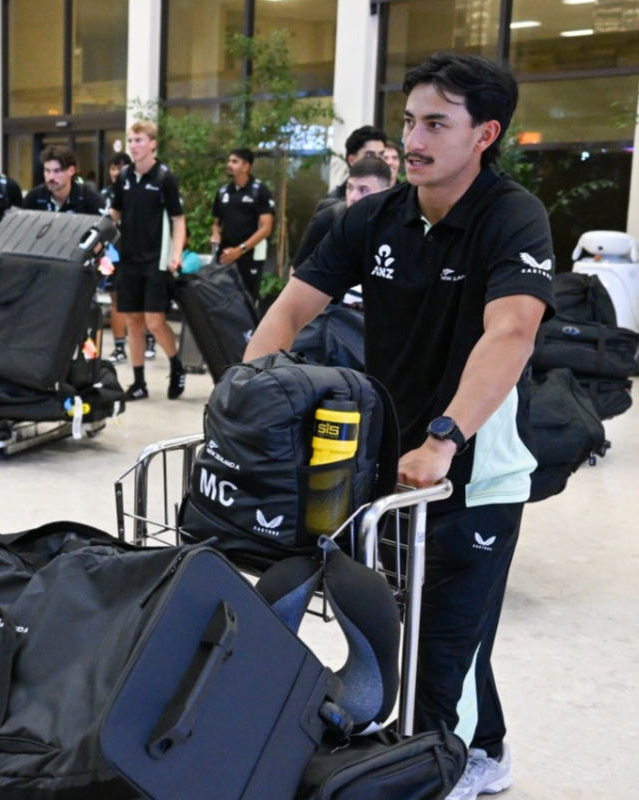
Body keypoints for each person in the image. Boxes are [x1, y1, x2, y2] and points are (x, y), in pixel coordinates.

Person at [243, 53, 554, 800]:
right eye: (410, 120)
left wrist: (446, 437)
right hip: (390, 462)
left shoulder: (512, 217)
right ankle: (484, 746)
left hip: (474, 469)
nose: (411, 139)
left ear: (485, 134)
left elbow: (511, 333)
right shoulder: (373, 218)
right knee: (425, 629)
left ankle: (454, 764)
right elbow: (291, 309)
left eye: (435, 124)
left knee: (442, 652)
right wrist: (242, 399)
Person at [109, 120, 187, 400]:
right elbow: (115, 213)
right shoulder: (125, 176)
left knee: (155, 321)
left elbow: (178, 220)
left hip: (155, 261)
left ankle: (176, 364)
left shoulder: (165, 177)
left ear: (152, 144)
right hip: (128, 260)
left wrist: (175, 255)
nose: (133, 145)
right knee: (133, 320)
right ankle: (139, 382)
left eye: (139, 140)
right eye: (131, 140)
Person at [292, 156, 394, 270]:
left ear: (385, 193)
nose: (353, 197)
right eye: (349, 188)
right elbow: (297, 271)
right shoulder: (326, 220)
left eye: (363, 190)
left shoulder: (397, 226)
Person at [211, 148, 275, 300]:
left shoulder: (259, 191)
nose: (229, 164)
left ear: (246, 166)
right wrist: (215, 234)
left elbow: (266, 228)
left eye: (234, 161)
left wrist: (240, 250)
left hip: (249, 256)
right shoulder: (223, 192)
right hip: (225, 255)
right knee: (223, 300)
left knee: (247, 301)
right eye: (229, 161)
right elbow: (216, 223)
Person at [101, 152, 133, 364]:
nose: (116, 173)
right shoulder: (104, 194)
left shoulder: (134, 190)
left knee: (137, 301)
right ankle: (119, 347)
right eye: (113, 168)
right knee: (115, 299)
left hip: (134, 251)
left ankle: (147, 339)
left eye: (120, 168)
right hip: (112, 252)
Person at [315, 125, 390, 212]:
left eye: (381, 155)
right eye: (370, 155)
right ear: (352, 160)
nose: (378, 161)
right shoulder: (331, 208)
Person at [22, 145, 104, 214]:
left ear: (71, 171)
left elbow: (106, 228)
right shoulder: (34, 197)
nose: (51, 177)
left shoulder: (89, 198)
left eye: (57, 171)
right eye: (47, 170)